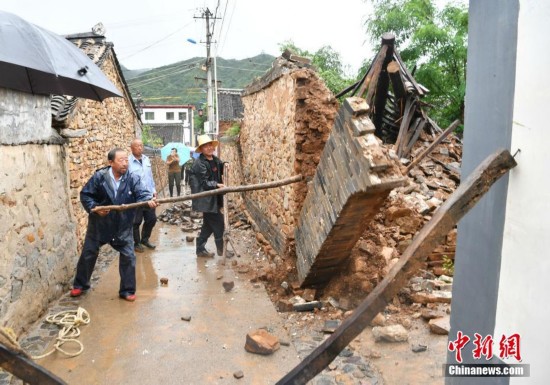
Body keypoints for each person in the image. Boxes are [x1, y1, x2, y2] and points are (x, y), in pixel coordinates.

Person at [70, 148, 158, 301]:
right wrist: (94, 208)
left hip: (123, 226)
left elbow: (142, 193)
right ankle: (80, 285)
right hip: (100, 225)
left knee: (129, 257)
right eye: (121, 160)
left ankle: (127, 290)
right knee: (88, 253)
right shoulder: (100, 177)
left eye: (126, 160)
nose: (125, 164)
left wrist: (147, 200)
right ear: (111, 162)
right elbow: (86, 195)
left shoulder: (132, 178)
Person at [189, 134, 230, 258]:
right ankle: (221, 250)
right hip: (206, 199)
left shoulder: (214, 159)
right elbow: (205, 183)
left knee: (208, 226)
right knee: (219, 223)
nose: (209, 148)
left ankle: (200, 249)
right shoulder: (199, 163)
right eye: (205, 146)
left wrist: (226, 164)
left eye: (210, 145)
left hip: (214, 198)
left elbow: (220, 166)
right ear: (201, 149)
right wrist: (217, 185)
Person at [129, 138, 157, 252]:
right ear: (132, 148)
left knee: (151, 219)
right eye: (137, 146)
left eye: (141, 145)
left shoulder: (146, 160)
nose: (140, 148)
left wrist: (154, 190)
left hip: (149, 195)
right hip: (135, 198)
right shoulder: (128, 162)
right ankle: (137, 243)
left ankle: (145, 239)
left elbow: (150, 177)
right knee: (136, 222)